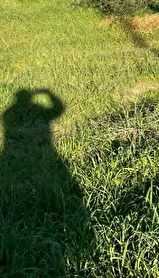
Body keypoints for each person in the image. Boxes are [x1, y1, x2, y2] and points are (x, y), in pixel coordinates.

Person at [0, 89, 92, 274]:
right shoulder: (13, 113)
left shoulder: (9, 113)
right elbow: (58, 109)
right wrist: (48, 92)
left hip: (15, 155)